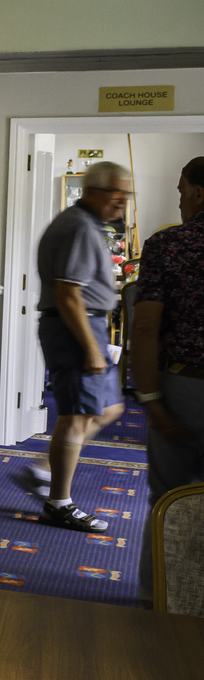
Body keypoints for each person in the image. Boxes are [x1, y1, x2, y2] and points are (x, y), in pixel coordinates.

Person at [31, 160, 133, 531]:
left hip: (88, 325)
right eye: (116, 193)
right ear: (91, 191)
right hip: (75, 327)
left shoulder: (87, 224)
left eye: (126, 194)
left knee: (109, 409)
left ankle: (45, 468)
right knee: (75, 417)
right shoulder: (78, 227)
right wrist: (90, 348)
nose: (122, 201)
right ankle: (58, 503)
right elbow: (68, 293)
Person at [131, 155, 204, 584]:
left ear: (198, 193)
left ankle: (155, 604)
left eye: (181, 192)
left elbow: (144, 328)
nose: (179, 202)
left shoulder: (169, 244)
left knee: (168, 501)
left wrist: (150, 399)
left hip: (184, 389)